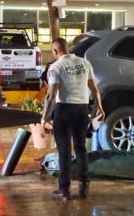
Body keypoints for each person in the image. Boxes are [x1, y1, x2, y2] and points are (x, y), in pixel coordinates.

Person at [43, 37, 104, 201]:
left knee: (64, 150)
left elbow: (51, 94)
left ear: (55, 51)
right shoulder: (85, 63)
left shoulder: (56, 67)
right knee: (80, 147)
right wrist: (99, 106)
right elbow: (94, 89)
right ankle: (84, 187)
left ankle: (64, 189)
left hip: (63, 110)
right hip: (82, 109)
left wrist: (44, 118)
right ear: (68, 48)